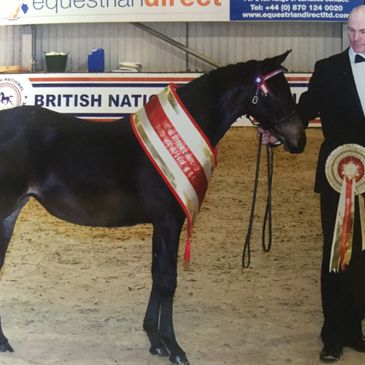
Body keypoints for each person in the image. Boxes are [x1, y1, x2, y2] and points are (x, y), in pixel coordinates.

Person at [297, 4, 365, 362]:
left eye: (363, 32)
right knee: (337, 256)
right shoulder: (327, 69)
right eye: (351, 30)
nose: (355, 38)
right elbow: (305, 109)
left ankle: (356, 328)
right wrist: (278, 133)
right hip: (339, 179)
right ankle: (333, 334)